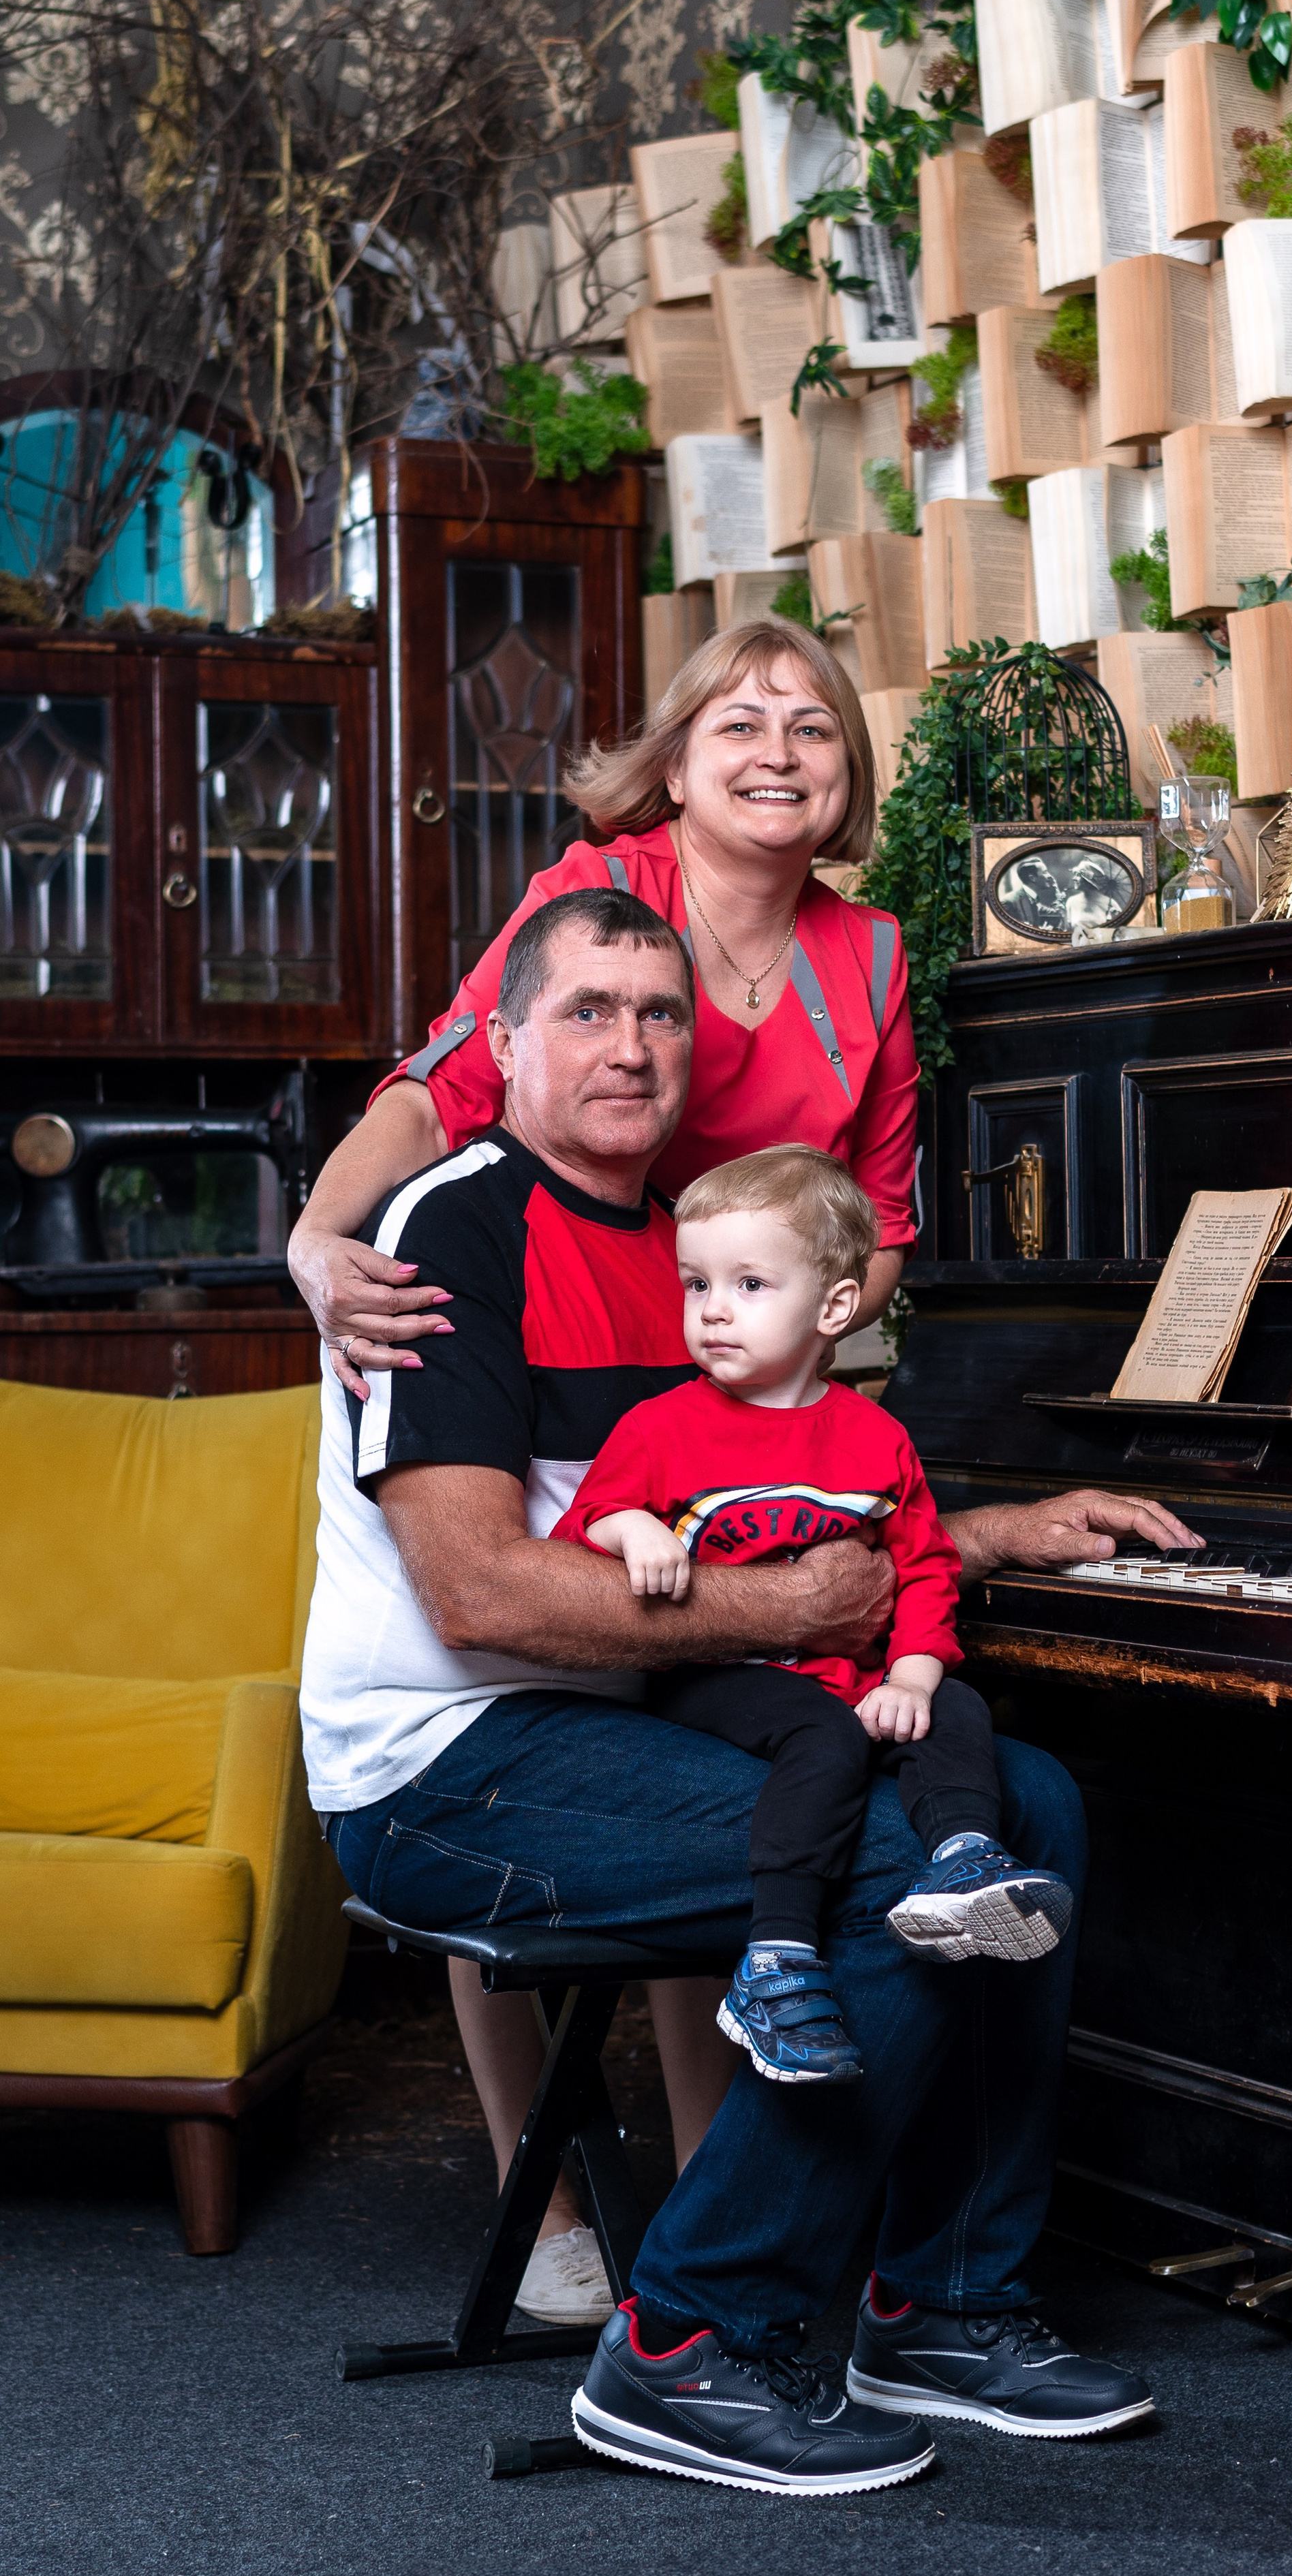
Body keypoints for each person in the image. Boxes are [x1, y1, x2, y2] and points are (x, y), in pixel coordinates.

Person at [303, 886, 1202, 2492]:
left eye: (660, 1014)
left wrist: (978, 1536)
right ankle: (684, 2338)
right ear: (502, 1045)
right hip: (444, 1767)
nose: (631, 1045)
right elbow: (477, 1586)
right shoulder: (451, 1227)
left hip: (625, 1716)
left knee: (1025, 1805)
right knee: (884, 1856)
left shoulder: (697, 1245)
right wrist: (789, 1603)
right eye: (586, 1010)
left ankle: (939, 2300)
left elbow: (781, 1500)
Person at [288, 620, 920, 2318]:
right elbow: (447, 1085)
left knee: (740, 1756)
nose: (777, 750)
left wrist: (813, 1403)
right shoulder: (601, 892)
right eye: (740, 720)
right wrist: (317, 1238)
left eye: (812, 726)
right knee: (531, 1660)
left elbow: (876, 1216)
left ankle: (721, 2226)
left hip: (720, 1339)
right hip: (550, 1287)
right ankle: (557, 2198)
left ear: (849, 767)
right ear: (676, 748)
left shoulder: (865, 955)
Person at [560, 1143, 1073, 2088]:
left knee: (957, 1708)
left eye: (749, 1282)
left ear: (834, 1306)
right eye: (696, 1282)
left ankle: (961, 1863)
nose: (712, 1307)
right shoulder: (663, 1426)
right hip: (721, 1680)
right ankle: (777, 1958)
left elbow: (922, 1567)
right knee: (827, 1739)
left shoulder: (876, 1437)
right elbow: (587, 1519)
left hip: (854, 1677)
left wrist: (916, 1671)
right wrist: (637, 1531)